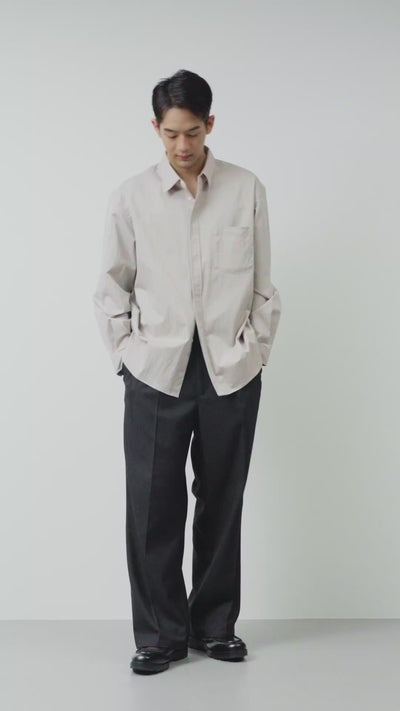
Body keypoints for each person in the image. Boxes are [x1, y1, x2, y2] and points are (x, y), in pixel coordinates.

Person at [92, 68, 282, 675]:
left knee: (222, 501)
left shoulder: (246, 189)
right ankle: (159, 635)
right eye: (171, 133)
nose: (182, 145)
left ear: (210, 124)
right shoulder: (130, 198)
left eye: (193, 132)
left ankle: (215, 626)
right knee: (152, 505)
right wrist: (128, 356)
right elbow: (112, 288)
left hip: (230, 370)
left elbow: (263, 284)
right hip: (156, 371)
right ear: (156, 127)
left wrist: (255, 352)